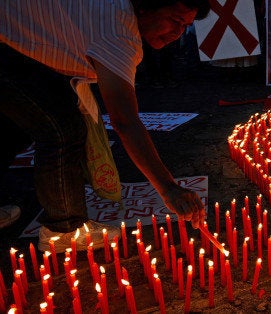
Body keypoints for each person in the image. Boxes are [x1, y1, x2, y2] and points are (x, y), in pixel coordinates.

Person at [0, 0, 210, 252]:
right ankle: (62, 229)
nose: (178, 33)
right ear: (145, 6)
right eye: (176, 20)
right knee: (62, 131)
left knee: (16, 125)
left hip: (14, 43)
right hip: (8, 47)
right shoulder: (118, 32)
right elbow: (124, 120)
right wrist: (168, 189)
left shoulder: (116, 13)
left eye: (185, 26)